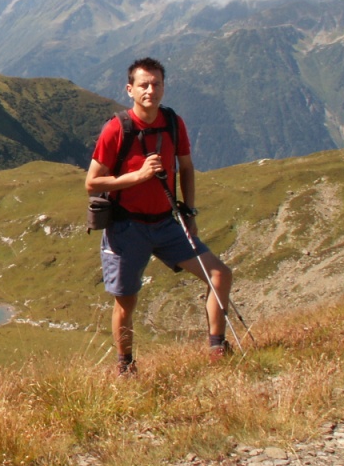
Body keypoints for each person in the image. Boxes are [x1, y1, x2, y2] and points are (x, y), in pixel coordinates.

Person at [85, 57, 233, 376]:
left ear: (164, 87)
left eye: (156, 84)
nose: (150, 90)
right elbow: (92, 182)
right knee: (126, 301)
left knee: (219, 275)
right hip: (127, 227)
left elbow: (187, 167)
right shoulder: (116, 129)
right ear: (130, 89)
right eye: (144, 85)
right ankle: (125, 366)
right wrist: (137, 177)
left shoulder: (173, 123)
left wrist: (189, 211)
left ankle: (217, 349)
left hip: (167, 223)